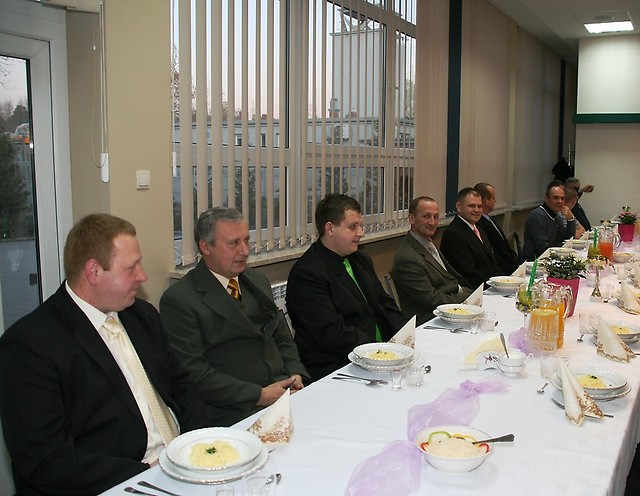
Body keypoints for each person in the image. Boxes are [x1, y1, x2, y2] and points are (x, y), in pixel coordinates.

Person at [0, 214, 214, 495]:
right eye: (131, 268)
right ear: (93, 271)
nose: (143, 276)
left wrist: (202, 444)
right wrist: (151, 474)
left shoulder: (141, 315)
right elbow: (45, 460)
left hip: (183, 463)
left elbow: (181, 384)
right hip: (119, 481)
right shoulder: (30, 346)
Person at [160, 207, 309, 426]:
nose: (245, 251)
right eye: (234, 243)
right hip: (233, 410)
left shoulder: (256, 280)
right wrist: (259, 395)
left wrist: (295, 373)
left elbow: (281, 336)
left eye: (246, 240)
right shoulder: (180, 300)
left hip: (283, 393)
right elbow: (195, 373)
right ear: (205, 247)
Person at [286, 193, 406, 381]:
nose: (361, 232)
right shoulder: (307, 274)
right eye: (352, 227)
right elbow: (332, 333)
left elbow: (384, 302)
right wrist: (380, 352)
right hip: (338, 366)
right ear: (330, 229)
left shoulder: (360, 259)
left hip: (381, 354)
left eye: (360, 226)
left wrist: (405, 337)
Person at [392, 196, 473, 325]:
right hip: (427, 320)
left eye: (435, 217)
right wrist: (466, 296)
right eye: (426, 216)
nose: (432, 222)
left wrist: (468, 292)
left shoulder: (427, 244)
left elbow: (450, 277)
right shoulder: (408, 258)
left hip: (446, 309)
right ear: (412, 219)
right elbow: (431, 300)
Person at [440, 187, 499, 289]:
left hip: (490, 287)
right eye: (472, 206)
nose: (476, 210)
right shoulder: (453, 234)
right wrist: (493, 288)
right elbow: (467, 273)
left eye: (479, 206)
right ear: (459, 207)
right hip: (474, 291)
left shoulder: (479, 229)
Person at [519, 181, 576, 261]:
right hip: (533, 263)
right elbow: (543, 249)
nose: (559, 201)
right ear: (546, 199)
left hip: (549, 260)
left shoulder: (556, 216)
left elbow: (567, 241)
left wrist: (570, 219)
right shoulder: (537, 216)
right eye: (555, 198)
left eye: (562, 198)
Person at [474, 182, 519, 275]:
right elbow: (494, 252)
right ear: (486, 201)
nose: (495, 201)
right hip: (501, 273)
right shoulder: (479, 224)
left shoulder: (489, 219)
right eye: (493, 198)